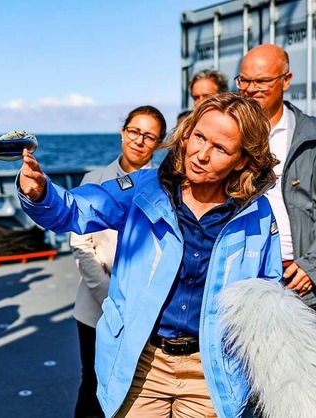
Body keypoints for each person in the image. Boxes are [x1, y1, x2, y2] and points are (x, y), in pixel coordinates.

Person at [18, 93, 281, 418]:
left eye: (220, 149)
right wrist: (42, 193)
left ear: (242, 160)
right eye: (199, 137)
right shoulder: (146, 187)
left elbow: (268, 290)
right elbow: (77, 210)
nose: (201, 154)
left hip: (213, 370)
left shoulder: (256, 212)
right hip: (143, 363)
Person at [71, 105, 166, 418]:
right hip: (96, 308)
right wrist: (113, 297)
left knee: (137, 386)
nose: (139, 140)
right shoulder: (94, 180)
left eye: (149, 136)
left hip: (144, 312)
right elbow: (81, 247)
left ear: (159, 143)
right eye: (134, 131)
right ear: (123, 132)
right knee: (93, 382)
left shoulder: (165, 188)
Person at [236, 44, 316, 307]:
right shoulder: (229, 133)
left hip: (299, 279)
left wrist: (312, 266)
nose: (250, 88)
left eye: (261, 81)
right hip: (242, 277)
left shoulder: (310, 137)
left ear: (286, 81)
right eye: (244, 80)